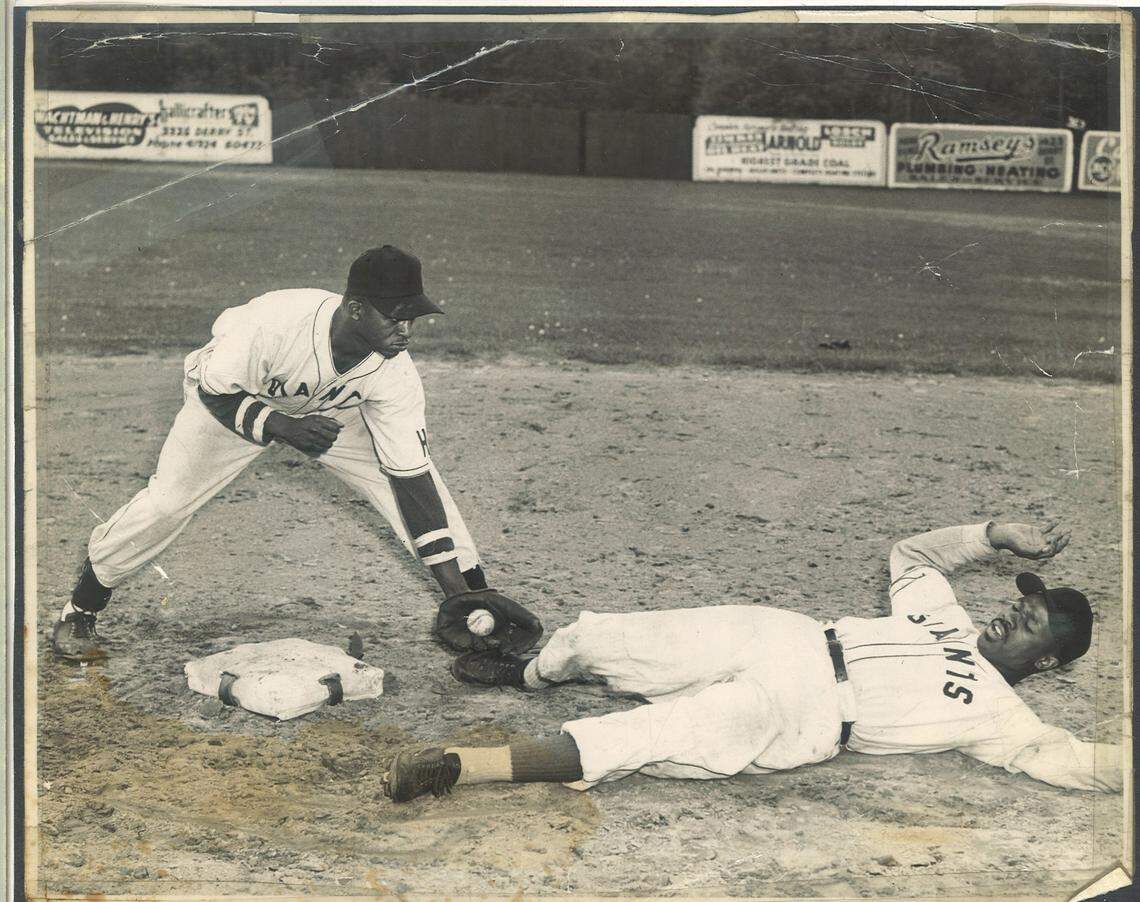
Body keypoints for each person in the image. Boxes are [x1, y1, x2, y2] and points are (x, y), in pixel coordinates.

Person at [380, 518, 1121, 802]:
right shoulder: (944, 615)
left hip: (800, 717)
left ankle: (455, 767)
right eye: (1018, 603)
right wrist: (994, 533)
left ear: (1049, 665)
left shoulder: (1005, 718)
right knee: (604, 636)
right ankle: (530, 671)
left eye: (1025, 623)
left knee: (638, 740)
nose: (1007, 614)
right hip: (782, 635)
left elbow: (1082, 762)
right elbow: (913, 553)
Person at [53, 246, 542, 662]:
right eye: (395, 316)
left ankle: (475, 599)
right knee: (167, 504)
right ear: (355, 309)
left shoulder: (394, 373)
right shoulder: (272, 324)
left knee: (424, 484)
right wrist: (283, 426)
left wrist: (457, 596)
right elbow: (215, 390)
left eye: (413, 317)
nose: (407, 330)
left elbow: (410, 480)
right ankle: (81, 610)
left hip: (334, 415)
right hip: (232, 402)